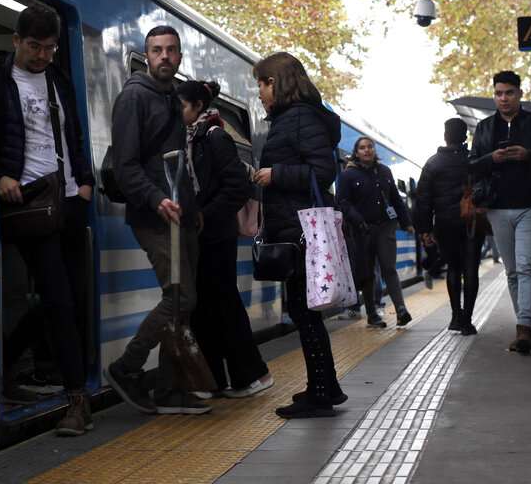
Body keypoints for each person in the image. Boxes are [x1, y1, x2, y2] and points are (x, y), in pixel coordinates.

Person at [0, 4, 95, 436]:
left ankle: (11, 362)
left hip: (68, 200)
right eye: (34, 46)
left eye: (49, 48)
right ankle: (76, 401)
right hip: (30, 203)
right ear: (15, 40)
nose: (43, 55)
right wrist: (1, 175)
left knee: (66, 300)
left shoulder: (58, 80)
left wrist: (84, 182)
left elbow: (74, 135)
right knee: (58, 301)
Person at [104, 26, 210, 415]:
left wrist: (192, 209)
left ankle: (169, 389)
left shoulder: (169, 98)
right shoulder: (134, 97)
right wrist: (157, 199)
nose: (164, 56)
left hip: (179, 214)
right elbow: (127, 165)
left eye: (171, 51)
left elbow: (177, 162)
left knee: (181, 304)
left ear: (179, 57)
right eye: (156, 50)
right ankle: (127, 367)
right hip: (152, 215)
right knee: (181, 296)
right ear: (146, 56)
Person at [252, 51, 344, 418]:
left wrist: (276, 175)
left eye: (261, 83)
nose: (259, 92)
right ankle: (323, 387)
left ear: (275, 82)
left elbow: (322, 171)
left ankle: (322, 392)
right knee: (304, 313)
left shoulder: (301, 117)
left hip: (300, 231)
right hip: (292, 228)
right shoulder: (290, 119)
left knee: (305, 314)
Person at [177, 79, 274, 398]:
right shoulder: (192, 138)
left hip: (217, 234)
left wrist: (206, 214)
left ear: (197, 107)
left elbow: (237, 186)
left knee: (224, 303)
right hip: (202, 235)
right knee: (205, 304)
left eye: (182, 106)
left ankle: (253, 374)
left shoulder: (215, 137)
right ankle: (213, 378)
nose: (177, 112)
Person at [469, 71, 531, 355]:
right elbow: (472, 166)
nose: (503, 98)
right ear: (494, 95)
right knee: (511, 271)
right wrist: (491, 159)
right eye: (498, 93)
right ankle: (522, 323)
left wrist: (528, 155)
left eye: (509, 93)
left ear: (519, 94)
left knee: (526, 265)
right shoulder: (484, 128)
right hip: (497, 208)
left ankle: (525, 328)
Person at [415, 118, 483, 336]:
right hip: (471, 221)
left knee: (454, 268)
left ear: (445, 135)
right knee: (471, 269)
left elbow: (423, 200)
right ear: (465, 136)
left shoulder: (433, 163)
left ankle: (455, 316)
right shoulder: (474, 160)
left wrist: (425, 230)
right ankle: (468, 321)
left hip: (445, 224)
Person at [337, 136, 413, 328]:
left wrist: (406, 223)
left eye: (370, 147)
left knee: (389, 268)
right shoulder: (348, 175)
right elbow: (342, 202)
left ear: (374, 150)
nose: (367, 150)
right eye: (362, 148)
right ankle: (372, 315)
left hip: (385, 227)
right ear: (357, 152)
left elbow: (396, 199)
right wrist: (357, 220)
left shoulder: (385, 172)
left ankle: (401, 310)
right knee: (368, 272)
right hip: (362, 231)